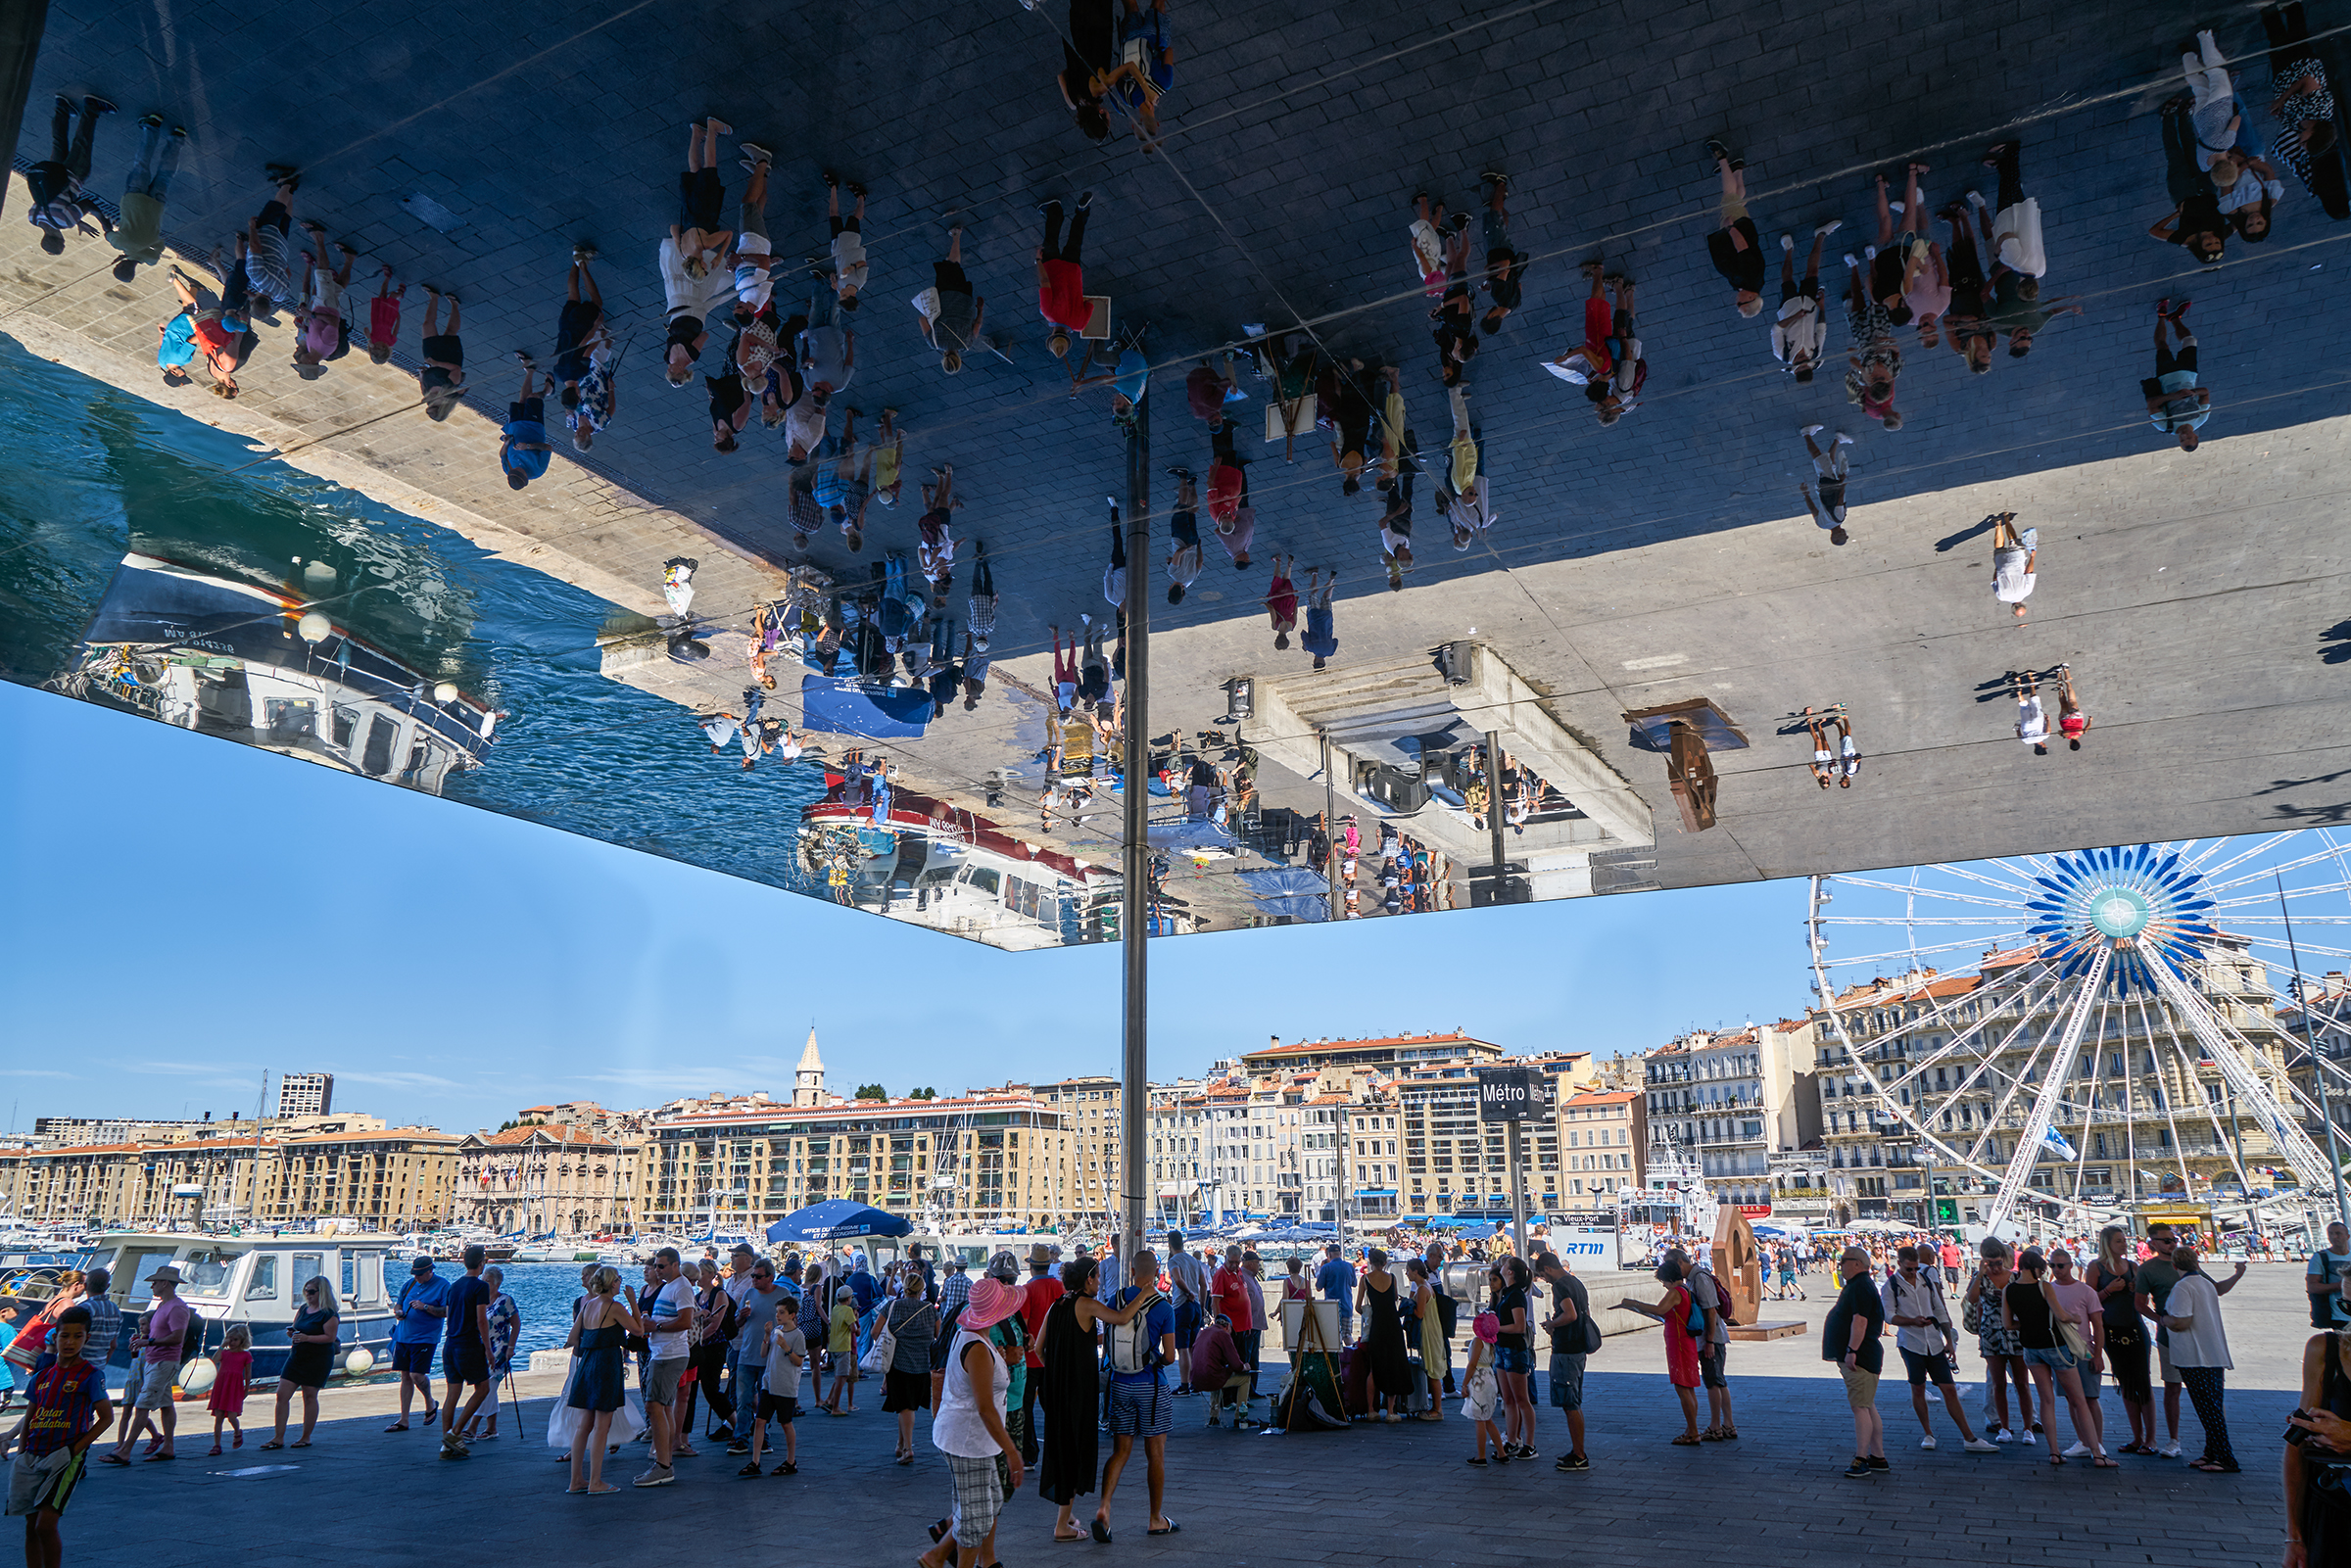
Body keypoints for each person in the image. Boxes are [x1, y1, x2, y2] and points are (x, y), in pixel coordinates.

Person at [916, 1276, 1026, 1568]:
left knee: (988, 1503)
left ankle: (936, 1556)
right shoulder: (977, 1347)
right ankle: (945, 1558)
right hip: (967, 1441)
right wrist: (1012, 1451)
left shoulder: (975, 1337)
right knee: (976, 1517)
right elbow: (986, 1408)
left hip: (972, 1440)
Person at [1038, 1255, 1148, 1542]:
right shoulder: (1085, 1304)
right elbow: (1122, 1318)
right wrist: (1145, 1295)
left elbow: (1039, 1348)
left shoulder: (1057, 1305)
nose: (1099, 1281)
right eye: (1098, 1277)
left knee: (1062, 1448)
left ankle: (1067, 1515)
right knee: (1075, 1452)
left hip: (1057, 1389)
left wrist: (1056, 1369)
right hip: (1079, 1391)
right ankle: (1062, 1525)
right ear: (1088, 1279)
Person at [3, 1306, 109, 1568]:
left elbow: (107, 1417)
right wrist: (22, 1450)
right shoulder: (41, 1377)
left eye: (77, 1336)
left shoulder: (90, 1376)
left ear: (86, 1338)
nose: (70, 1342)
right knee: (31, 1525)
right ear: (55, 1337)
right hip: (32, 1453)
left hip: (63, 1456)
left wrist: (76, 1449)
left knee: (45, 1525)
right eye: (65, 1336)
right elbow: (30, 1414)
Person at [1883, 1245, 1993, 1451]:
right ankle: (1928, 1433)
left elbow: (1939, 1309)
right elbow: (1888, 1315)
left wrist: (1949, 1340)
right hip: (1911, 1343)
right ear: (1899, 1265)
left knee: (1949, 1389)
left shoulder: (1925, 1280)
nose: (1914, 1273)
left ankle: (1969, 1438)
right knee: (1918, 1388)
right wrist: (1911, 1321)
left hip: (1933, 1342)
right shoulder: (1890, 1286)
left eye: (1916, 1268)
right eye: (1909, 1269)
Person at [1096, 1249, 1175, 1539]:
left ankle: (1104, 1508)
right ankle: (1155, 1518)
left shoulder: (1114, 1300)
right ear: (1156, 1272)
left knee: (1120, 1451)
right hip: (1151, 1385)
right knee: (1155, 1453)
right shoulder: (1163, 1307)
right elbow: (1169, 1356)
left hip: (1119, 1383)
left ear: (1131, 1271)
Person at [2002, 1248, 2105, 1467]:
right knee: (2079, 1400)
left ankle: (2054, 1452)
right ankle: (2097, 1453)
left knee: (2046, 1401)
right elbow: (2060, 1315)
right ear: (2036, 1268)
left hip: (2030, 1348)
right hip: (2055, 1346)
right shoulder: (2043, 1286)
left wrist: (2029, 1323)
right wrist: (2075, 1318)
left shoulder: (2009, 1290)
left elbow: (2008, 1324)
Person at [2160, 1243, 2236, 1472]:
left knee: (2208, 1410)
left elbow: (2182, 1321)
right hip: (2214, 1353)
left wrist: (2164, 1320)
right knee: (2213, 1405)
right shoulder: (2206, 1283)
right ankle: (2211, 1452)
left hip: (2194, 1356)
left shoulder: (2183, 1287)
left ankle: (2225, 1458)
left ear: (2174, 1265)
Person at [1616, 1252, 1703, 1445]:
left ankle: (1693, 1432)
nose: (1663, 1284)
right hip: (1686, 1341)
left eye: (1663, 1281)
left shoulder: (1675, 1292)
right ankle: (1691, 1429)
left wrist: (1633, 1303)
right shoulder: (1687, 1290)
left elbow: (1658, 1310)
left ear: (1668, 1278)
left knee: (1682, 1388)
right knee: (1689, 1388)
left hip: (1679, 1343)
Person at [562, 1265, 630, 1495]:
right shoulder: (614, 1306)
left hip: (587, 1363)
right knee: (602, 1426)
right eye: (619, 1280)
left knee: (584, 1424)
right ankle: (596, 1481)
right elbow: (638, 1330)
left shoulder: (588, 1304)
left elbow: (573, 1337)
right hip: (606, 1364)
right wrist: (634, 1302)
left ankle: (576, 1481)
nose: (621, 1283)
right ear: (612, 1283)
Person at [1823, 1245, 1889, 1477]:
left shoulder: (1860, 1285)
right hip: (1863, 1355)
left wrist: (1852, 1350)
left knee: (1860, 1408)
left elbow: (1860, 1321)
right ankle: (1878, 1456)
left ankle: (1862, 1458)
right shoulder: (1860, 1285)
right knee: (1867, 1405)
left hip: (1860, 1356)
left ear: (1857, 1264)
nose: (1840, 1266)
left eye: (1843, 1262)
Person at [2089, 1225, 2154, 1453]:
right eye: (2118, 1241)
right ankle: (2137, 1437)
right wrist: (2108, 1290)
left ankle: (2151, 1439)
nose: (2123, 1244)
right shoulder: (2096, 1268)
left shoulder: (2133, 1267)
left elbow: (2143, 1297)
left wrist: (2136, 1288)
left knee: (2143, 1383)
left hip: (2135, 1328)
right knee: (2126, 1383)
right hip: (2111, 1332)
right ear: (2107, 1244)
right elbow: (2088, 1300)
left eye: (2124, 1240)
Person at [24, 95, 113, 255]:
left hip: (73, 176)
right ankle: (62, 107)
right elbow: (53, 207)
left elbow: (87, 204)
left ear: (61, 240)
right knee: (58, 143)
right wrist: (78, 221)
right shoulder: (33, 218)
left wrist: (104, 223)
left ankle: (92, 106)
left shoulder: (65, 222)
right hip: (52, 174)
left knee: (82, 143)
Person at [639, 1247, 696, 1487]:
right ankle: (665, 1459)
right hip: (663, 1352)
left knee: (655, 1406)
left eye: (661, 1266)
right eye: (655, 1266)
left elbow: (685, 1321)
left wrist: (656, 1328)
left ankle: (663, 1465)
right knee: (665, 1407)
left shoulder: (682, 1287)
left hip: (669, 1355)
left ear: (675, 1265)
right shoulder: (669, 1287)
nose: (657, 1270)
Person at [105, 113, 186, 281]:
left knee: (165, 176)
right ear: (118, 263)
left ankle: (177, 139)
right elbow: (107, 233)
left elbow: (160, 244)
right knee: (141, 165)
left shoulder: (152, 259)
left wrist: (133, 254)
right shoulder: (120, 244)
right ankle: (151, 127)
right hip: (134, 199)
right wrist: (125, 254)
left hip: (156, 205)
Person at [260, 1276, 337, 1450]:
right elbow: (297, 1327)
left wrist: (307, 1338)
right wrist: (293, 1334)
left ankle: (305, 1436)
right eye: (305, 1291)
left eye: (311, 1292)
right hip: (297, 1357)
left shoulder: (329, 1314)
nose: (307, 1295)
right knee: (281, 1394)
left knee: (309, 1396)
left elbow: (330, 1337)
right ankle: (278, 1437)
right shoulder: (303, 1309)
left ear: (321, 1292)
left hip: (317, 1359)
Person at [1967, 1239, 2033, 1443]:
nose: (1995, 1267)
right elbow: (1972, 1299)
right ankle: (2004, 1427)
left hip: (2015, 1332)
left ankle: (2028, 1428)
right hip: (1991, 1332)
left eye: (1997, 1263)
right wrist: (1980, 1274)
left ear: (2004, 1260)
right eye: (1990, 1263)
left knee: (2022, 1383)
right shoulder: (1982, 1278)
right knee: (1998, 1383)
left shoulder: (2015, 1278)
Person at [1531, 1253, 1592, 1468]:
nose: (1544, 1280)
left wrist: (1552, 1325)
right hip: (1578, 1348)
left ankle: (1579, 1454)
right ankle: (1578, 1450)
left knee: (1570, 1402)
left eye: (1542, 1275)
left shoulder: (1560, 1285)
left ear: (1547, 1268)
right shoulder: (1576, 1282)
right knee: (1573, 1401)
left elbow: (1570, 1314)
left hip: (1567, 1349)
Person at [439, 1245, 494, 1458]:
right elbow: (481, 1319)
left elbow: (448, 1314)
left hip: (450, 1343)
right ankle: (455, 1433)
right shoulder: (479, 1287)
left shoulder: (454, 1286)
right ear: (481, 1263)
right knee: (483, 1388)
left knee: (452, 1393)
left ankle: (447, 1445)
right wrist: (488, 1349)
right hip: (468, 1344)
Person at [882, 1267, 938, 1464]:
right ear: (921, 1288)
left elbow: (874, 1332)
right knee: (905, 1406)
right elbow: (939, 1337)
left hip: (898, 1363)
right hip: (923, 1364)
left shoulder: (892, 1306)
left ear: (904, 1288)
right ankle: (900, 1443)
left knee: (905, 1406)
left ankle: (908, 1448)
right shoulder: (930, 1309)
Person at [1703, 138, 1765, 315]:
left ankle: (1736, 170)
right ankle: (1722, 157)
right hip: (1737, 229)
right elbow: (1742, 248)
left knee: (1737, 201)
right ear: (1751, 298)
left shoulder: (1753, 283)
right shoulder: (1750, 277)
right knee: (1729, 196)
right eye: (1740, 305)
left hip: (1743, 229)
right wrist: (1730, 228)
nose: (1736, 304)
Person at [744, 1292, 803, 1476]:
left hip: (785, 1384)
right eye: (777, 1312)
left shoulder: (797, 1335)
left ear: (792, 1315)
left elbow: (799, 1361)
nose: (778, 1316)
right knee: (760, 1420)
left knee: (786, 1423)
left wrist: (786, 1348)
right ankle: (755, 1461)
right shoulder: (776, 1332)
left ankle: (791, 1460)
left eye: (782, 1312)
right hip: (769, 1383)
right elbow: (763, 1353)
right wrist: (766, 1335)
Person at [1354, 1248, 1414, 1422]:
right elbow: (1394, 1297)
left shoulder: (1365, 1279)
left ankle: (1371, 1410)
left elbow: (1358, 1307)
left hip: (1377, 1325)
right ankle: (1390, 1411)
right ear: (1385, 1262)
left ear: (1370, 1262)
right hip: (1393, 1324)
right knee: (1392, 1365)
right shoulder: (1392, 1278)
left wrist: (1369, 1311)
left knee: (1374, 1368)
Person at [2142, 298, 2210, 451]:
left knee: (2162, 346)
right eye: (2189, 438)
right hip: (2189, 374)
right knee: (2190, 340)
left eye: (2182, 441)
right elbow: (2205, 393)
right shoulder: (2200, 419)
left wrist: (2173, 396)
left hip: (2166, 377)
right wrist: (2193, 392)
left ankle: (2161, 314)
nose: (2184, 436)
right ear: (2196, 436)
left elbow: (2152, 404)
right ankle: (2174, 318)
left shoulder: (2165, 426)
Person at [387, 1255, 446, 1430]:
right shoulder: (410, 1284)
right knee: (405, 1375)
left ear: (430, 1271)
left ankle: (429, 1401)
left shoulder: (442, 1286)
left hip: (425, 1337)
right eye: (415, 1274)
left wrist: (425, 1307)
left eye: (420, 1274)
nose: (417, 1278)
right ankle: (404, 1419)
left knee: (416, 1374)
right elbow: (398, 1304)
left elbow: (447, 1311)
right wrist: (398, 1312)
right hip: (404, 1335)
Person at [1772, 223, 1837, 380]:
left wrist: (1794, 317)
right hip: (1809, 306)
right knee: (1813, 272)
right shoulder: (1816, 353)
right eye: (1805, 362)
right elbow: (1821, 330)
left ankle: (1789, 250)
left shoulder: (1782, 354)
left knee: (1787, 279)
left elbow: (1776, 330)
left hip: (1789, 307)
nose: (1802, 359)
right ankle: (1820, 235)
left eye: (1799, 363)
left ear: (1794, 370)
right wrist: (1821, 307)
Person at [1486, 1257, 1536, 1458]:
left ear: (1510, 1273)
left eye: (1505, 1265)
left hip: (1514, 1349)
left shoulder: (1515, 1295)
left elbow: (1519, 1326)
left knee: (1521, 1398)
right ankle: (1513, 1440)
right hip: (1502, 1347)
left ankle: (1530, 1444)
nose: (1501, 1266)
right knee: (1508, 1399)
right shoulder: (1505, 1293)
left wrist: (1496, 1328)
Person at [1035, 191, 1096, 356]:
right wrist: (1038, 261)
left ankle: (1082, 211)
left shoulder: (1080, 325)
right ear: (1051, 336)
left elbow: (1090, 302)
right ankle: (1054, 208)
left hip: (1073, 271)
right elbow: (1044, 282)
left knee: (1076, 240)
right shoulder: (1048, 313)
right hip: (1052, 267)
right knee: (1051, 238)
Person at [917, 225, 984, 374]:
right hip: (944, 297)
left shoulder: (967, 344)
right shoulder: (934, 342)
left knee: (954, 268)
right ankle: (956, 235)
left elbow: (977, 325)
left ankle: (955, 242)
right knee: (952, 265)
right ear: (944, 361)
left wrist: (980, 309)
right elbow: (922, 320)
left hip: (965, 300)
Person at [1688, 1261, 1737, 1441]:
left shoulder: (1699, 1278)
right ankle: (1728, 1425)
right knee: (1719, 1380)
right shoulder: (1700, 1276)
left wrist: (1708, 1340)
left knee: (1712, 1381)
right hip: (1714, 1337)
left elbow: (1710, 1310)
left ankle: (1715, 1426)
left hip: (1712, 1338)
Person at [501, 362, 552, 491]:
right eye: (519, 471)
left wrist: (506, 443)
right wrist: (529, 447)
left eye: (514, 471)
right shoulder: (538, 470)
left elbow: (502, 455)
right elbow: (547, 448)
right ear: (525, 477)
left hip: (514, 427)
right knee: (533, 397)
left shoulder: (509, 470)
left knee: (523, 400)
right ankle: (547, 391)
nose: (517, 469)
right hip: (533, 427)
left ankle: (530, 371)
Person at [1799, 425, 1852, 546]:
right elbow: (1812, 508)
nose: (1846, 534)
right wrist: (1805, 493)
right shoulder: (1821, 524)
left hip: (1831, 486)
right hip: (1821, 489)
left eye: (1844, 536)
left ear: (1839, 534)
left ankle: (1806, 434)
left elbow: (1840, 499)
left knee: (1818, 458)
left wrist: (1842, 482)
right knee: (1829, 463)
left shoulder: (1840, 518)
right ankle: (1838, 439)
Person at [204, 1323, 251, 1455]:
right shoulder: (224, 1353)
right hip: (222, 1385)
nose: (232, 1342)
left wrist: (246, 1388)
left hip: (234, 1387)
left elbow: (248, 1374)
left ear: (242, 1340)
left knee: (232, 1416)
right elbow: (214, 1360)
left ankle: (237, 1431)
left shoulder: (245, 1355)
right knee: (218, 1416)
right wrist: (221, 1346)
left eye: (235, 1340)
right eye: (230, 1339)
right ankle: (217, 1445)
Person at [1463, 1310, 1502, 1464]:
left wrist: (1464, 1384)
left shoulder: (1478, 1341)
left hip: (1479, 1381)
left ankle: (1481, 1455)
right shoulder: (1490, 1343)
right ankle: (1501, 1452)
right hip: (1489, 1378)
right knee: (1488, 1420)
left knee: (1479, 1419)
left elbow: (1472, 1364)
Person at [1989, 512, 2036, 620]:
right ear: (2012, 608)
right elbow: (1995, 579)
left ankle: (2007, 519)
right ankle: (1998, 526)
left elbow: (2029, 572)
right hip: (2002, 564)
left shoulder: (2027, 591)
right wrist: (1997, 568)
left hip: (2016, 560)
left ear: (2024, 604)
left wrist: (2032, 557)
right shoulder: (2001, 597)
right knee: (1999, 548)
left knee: (2013, 541)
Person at [1315, 1242, 1356, 1341]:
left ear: (1329, 1254)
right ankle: (1351, 1355)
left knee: (1332, 1338)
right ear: (1340, 1254)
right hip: (1346, 1306)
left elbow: (1318, 1287)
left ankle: (1335, 1356)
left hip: (1331, 1308)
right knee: (1347, 1335)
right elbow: (1354, 1283)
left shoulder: (1326, 1268)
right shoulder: (1349, 1266)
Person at [1301, 569, 1338, 670]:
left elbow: (1335, 640)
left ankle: (1331, 581)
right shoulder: (1310, 647)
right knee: (1311, 594)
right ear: (1314, 661)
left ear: (1324, 661)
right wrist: (1304, 644)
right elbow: (1303, 633)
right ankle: (1315, 574)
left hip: (1327, 618)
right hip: (1314, 616)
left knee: (1327, 598)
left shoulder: (1330, 651)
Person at [2011, 670, 2049, 752]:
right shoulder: (2026, 742)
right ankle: (2019, 692)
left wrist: (2048, 720)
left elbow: (2048, 730)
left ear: (2042, 746)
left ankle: (2031, 677)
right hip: (2026, 725)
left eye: (2045, 747)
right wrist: (2017, 727)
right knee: (2024, 707)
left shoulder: (2043, 737)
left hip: (2038, 721)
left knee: (2035, 701)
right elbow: (2018, 733)